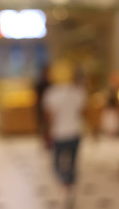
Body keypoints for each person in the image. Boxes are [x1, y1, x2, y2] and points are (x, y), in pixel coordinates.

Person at [42, 62, 87, 198]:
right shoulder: (78, 92)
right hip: (75, 132)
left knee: (57, 163)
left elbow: (50, 117)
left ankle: (64, 182)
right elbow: (83, 113)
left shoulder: (51, 93)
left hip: (59, 134)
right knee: (73, 162)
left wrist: (46, 133)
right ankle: (69, 185)